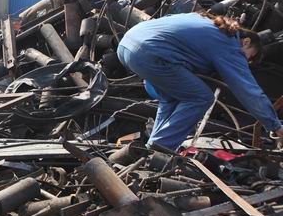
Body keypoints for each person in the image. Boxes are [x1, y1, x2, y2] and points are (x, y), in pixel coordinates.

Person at [117, 12, 283, 153]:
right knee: (201, 98)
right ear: (246, 41)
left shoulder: (205, 22)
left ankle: (151, 148)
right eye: (250, 56)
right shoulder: (229, 43)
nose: (246, 62)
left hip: (126, 45)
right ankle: (161, 148)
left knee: (170, 99)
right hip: (150, 52)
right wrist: (275, 125)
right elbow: (247, 89)